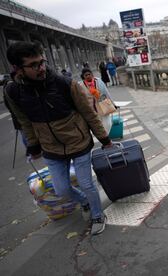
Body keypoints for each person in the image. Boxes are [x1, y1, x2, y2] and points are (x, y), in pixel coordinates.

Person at [5, 41, 111, 235]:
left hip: (78, 142)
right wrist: (33, 145)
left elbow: (88, 113)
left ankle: (97, 214)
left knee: (87, 183)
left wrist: (104, 139)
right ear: (17, 68)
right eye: (34, 65)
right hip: (51, 148)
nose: (42, 68)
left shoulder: (64, 83)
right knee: (61, 189)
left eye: (42, 62)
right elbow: (24, 122)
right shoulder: (13, 91)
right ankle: (85, 201)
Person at [79, 68, 114, 133]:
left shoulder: (98, 81)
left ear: (92, 74)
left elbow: (106, 92)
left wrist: (112, 102)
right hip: (91, 108)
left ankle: (106, 136)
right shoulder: (81, 85)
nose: (88, 76)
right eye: (86, 75)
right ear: (83, 76)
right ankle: (105, 138)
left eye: (89, 74)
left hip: (103, 105)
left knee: (108, 123)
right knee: (98, 124)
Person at [3, 71, 28, 151]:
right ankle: (29, 149)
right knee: (25, 132)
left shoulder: (5, 91)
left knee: (23, 132)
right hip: (18, 116)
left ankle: (28, 149)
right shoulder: (12, 89)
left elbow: (8, 106)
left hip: (15, 116)